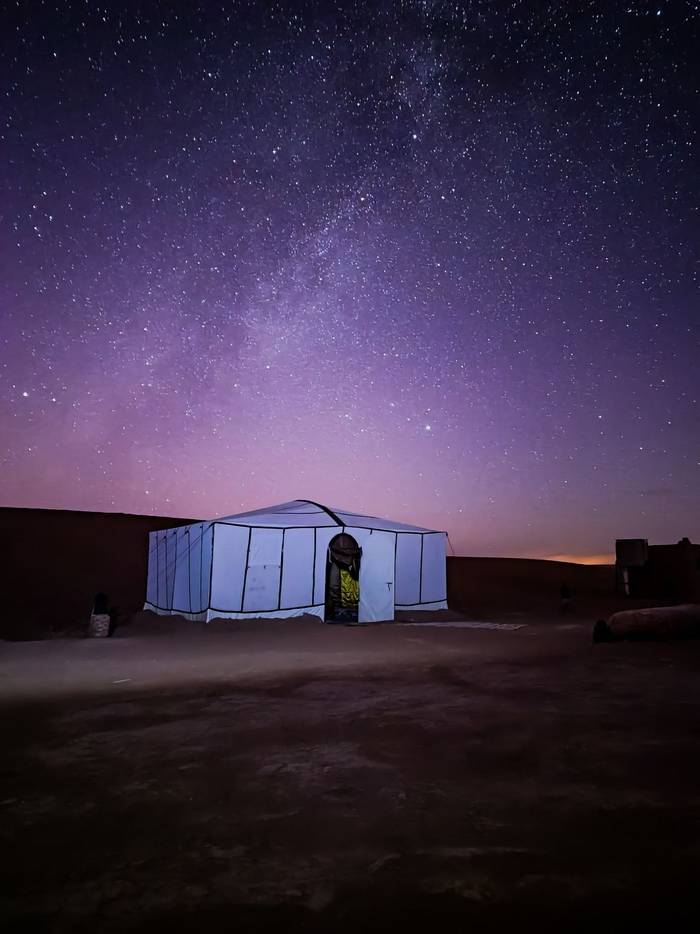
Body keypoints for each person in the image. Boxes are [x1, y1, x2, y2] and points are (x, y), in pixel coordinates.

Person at [328, 535, 361, 623]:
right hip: (352, 605)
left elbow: (333, 586)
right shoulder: (355, 563)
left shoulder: (336, 564)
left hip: (342, 606)